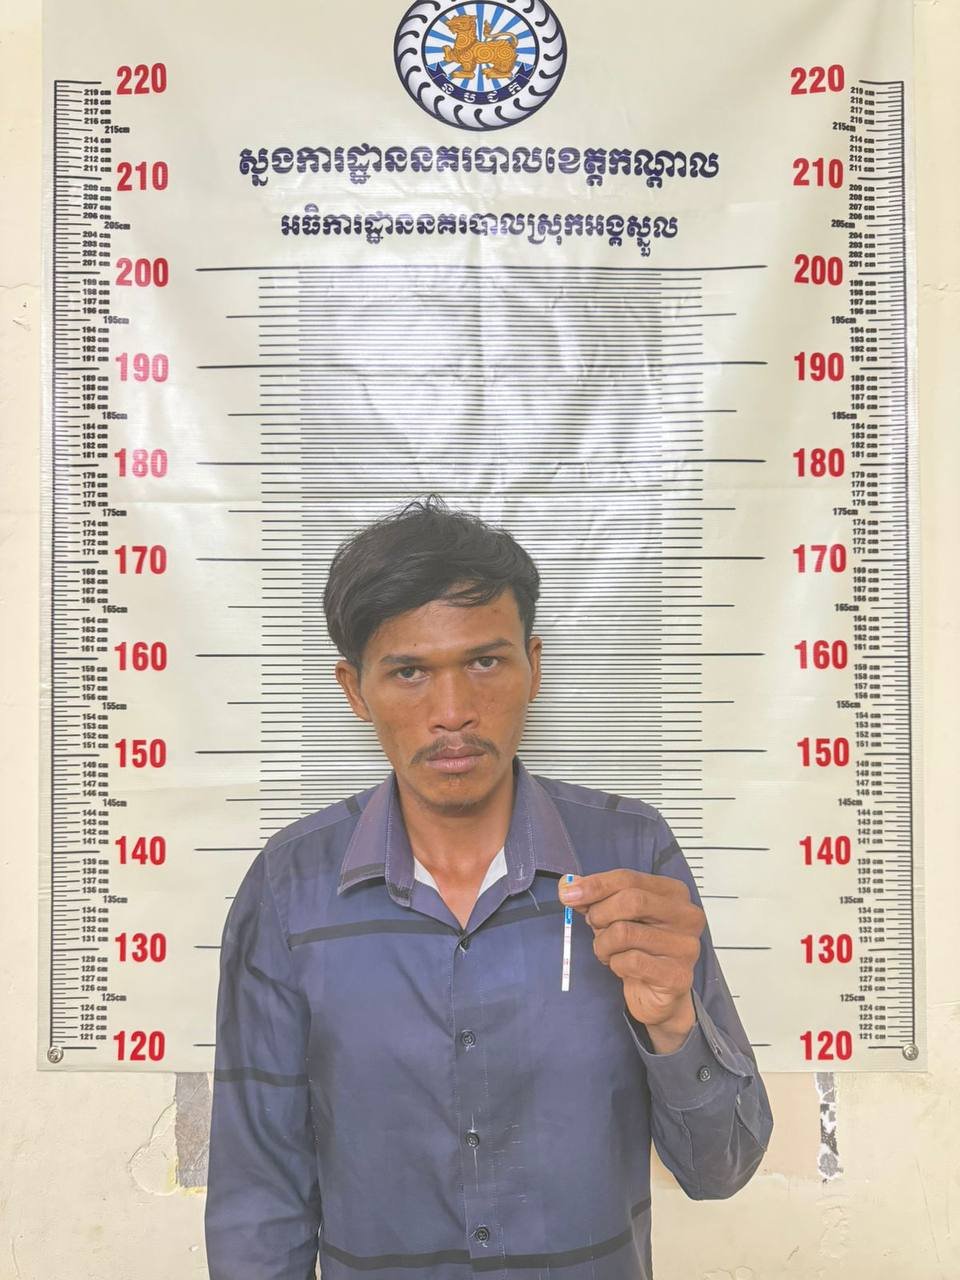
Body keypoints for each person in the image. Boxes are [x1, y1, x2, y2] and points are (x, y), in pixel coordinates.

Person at [204, 494, 773, 1280]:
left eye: (484, 662)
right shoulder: (289, 887)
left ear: (533, 666)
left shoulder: (633, 856)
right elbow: (259, 1199)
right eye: (409, 672)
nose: (453, 713)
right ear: (355, 690)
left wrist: (674, 1024)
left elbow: (723, 1167)